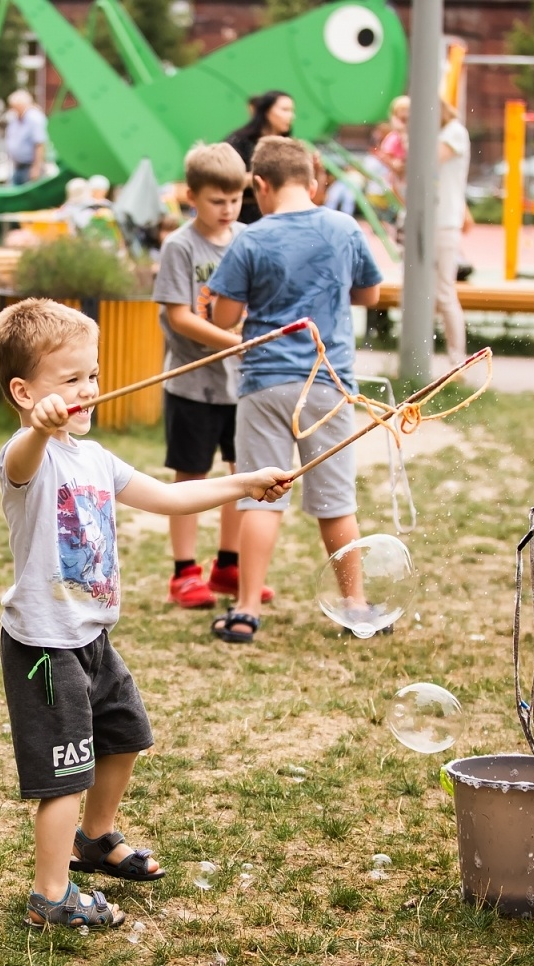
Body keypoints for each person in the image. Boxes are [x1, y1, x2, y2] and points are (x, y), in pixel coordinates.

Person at [0, 297, 288, 928]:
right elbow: (21, 457)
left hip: (92, 635)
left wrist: (243, 483)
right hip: (45, 646)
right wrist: (39, 426)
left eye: (90, 376)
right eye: (69, 380)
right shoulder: (30, 454)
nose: (87, 390)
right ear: (24, 392)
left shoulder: (96, 459)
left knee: (125, 736)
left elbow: (173, 497)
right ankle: (50, 895)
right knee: (64, 773)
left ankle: (93, 840)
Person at [205, 136, 383, 643]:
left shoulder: (251, 239)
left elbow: (226, 317)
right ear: (312, 180)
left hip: (263, 384)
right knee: (336, 501)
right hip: (327, 386)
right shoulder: (343, 227)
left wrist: (216, 305)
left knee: (260, 498)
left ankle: (244, 612)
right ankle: (356, 605)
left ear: (260, 184)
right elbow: (369, 293)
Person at [154, 143, 256, 609]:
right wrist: (233, 341)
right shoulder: (180, 246)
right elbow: (179, 316)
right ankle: (184, 572)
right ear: (192, 196)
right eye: (218, 201)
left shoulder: (248, 239)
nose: (228, 210)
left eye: (235, 200)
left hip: (243, 387)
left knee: (243, 477)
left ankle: (228, 568)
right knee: (191, 478)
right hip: (192, 384)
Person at [435, 97, 471, 367]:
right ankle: (422, 353)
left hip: (443, 221)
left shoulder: (453, 132)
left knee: (444, 291)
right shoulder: (439, 133)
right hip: (429, 220)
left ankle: (457, 357)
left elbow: (432, 160)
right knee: (426, 291)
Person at [223, 90, 294, 224]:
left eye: (291, 111)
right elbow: (224, 178)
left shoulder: (289, 145)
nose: (291, 116)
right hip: (244, 214)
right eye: (285, 110)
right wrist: (257, 177)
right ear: (267, 111)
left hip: (281, 214)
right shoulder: (239, 140)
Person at [4, 90, 47, 187]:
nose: (13, 109)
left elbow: (39, 143)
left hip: (30, 167)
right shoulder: (15, 118)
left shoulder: (34, 118)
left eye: (15, 107)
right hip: (18, 167)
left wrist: (36, 167)